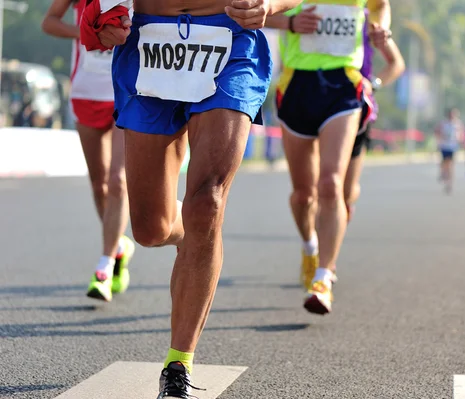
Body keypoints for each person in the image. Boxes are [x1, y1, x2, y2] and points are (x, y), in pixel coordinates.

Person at [82, 0, 301, 396]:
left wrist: (272, 4)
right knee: (151, 229)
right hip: (149, 40)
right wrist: (95, 11)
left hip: (230, 39)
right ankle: (196, 234)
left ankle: (178, 360)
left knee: (208, 201)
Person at [266, 0, 391, 315]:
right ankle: (310, 246)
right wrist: (291, 24)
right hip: (296, 87)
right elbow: (257, 14)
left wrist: (381, 26)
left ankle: (323, 278)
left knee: (331, 184)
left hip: (343, 86)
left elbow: (381, 5)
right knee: (302, 195)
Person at [42, 0, 135, 303]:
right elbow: (49, 22)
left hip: (125, 88)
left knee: (119, 180)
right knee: (100, 185)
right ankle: (118, 245)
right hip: (86, 91)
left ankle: (105, 266)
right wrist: (85, 31)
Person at [345, 8, 405, 222]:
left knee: (346, 192)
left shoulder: (366, 16)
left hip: (356, 107)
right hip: (313, 99)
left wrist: (373, 84)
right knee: (317, 188)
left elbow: (396, 63)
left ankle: (342, 210)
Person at [435, 108, 464, 194]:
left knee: (451, 165)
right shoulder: (443, 123)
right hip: (444, 146)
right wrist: (439, 140)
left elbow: (461, 134)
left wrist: (461, 140)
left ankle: (449, 184)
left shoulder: (458, 123)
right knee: (444, 163)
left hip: (453, 147)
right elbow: (437, 132)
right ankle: (443, 174)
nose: (452, 116)